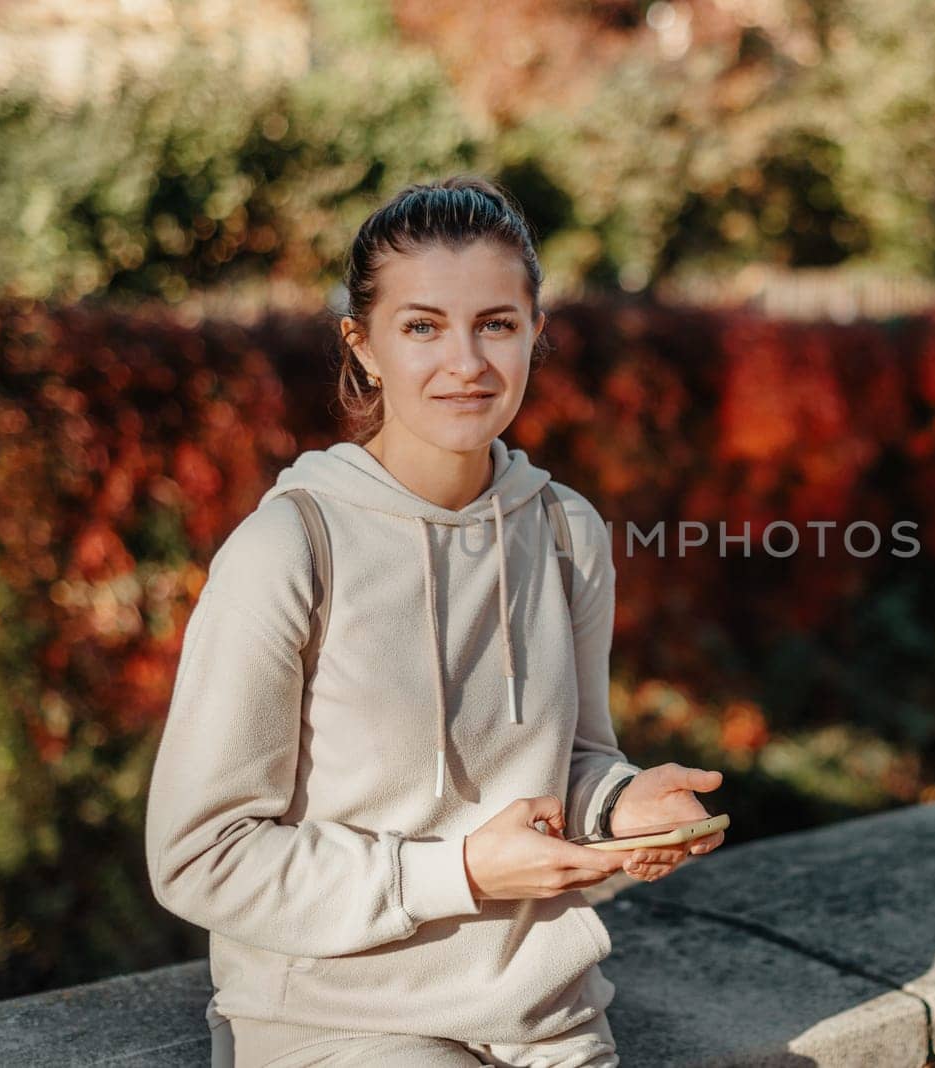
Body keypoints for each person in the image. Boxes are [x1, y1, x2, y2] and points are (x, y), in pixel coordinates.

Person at [143, 175, 726, 1067]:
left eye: (496, 323)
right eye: (422, 327)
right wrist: (458, 874)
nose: (467, 363)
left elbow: (567, 762)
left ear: (536, 333)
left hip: (548, 1018)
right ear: (363, 345)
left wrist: (618, 807)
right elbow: (201, 855)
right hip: (340, 1025)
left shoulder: (565, 531)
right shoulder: (289, 549)